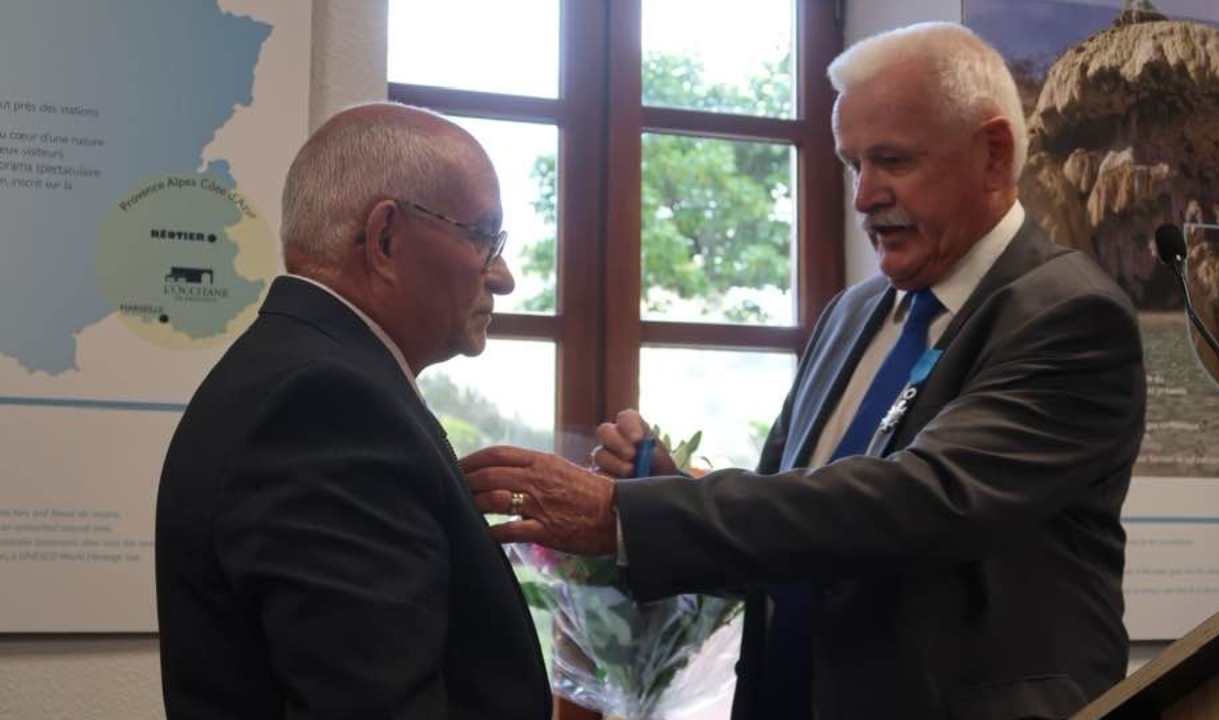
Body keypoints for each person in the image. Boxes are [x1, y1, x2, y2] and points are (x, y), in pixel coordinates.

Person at [464, 22, 1146, 720]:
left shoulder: (1069, 314)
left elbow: (917, 504)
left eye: (893, 161)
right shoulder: (854, 314)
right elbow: (799, 520)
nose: (862, 196)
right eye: (853, 164)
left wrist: (624, 517)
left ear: (993, 155)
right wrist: (666, 486)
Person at [155, 103, 550, 719]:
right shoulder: (327, 406)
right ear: (385, 239)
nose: (503, 277)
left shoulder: (303, 373)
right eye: (483, 237)